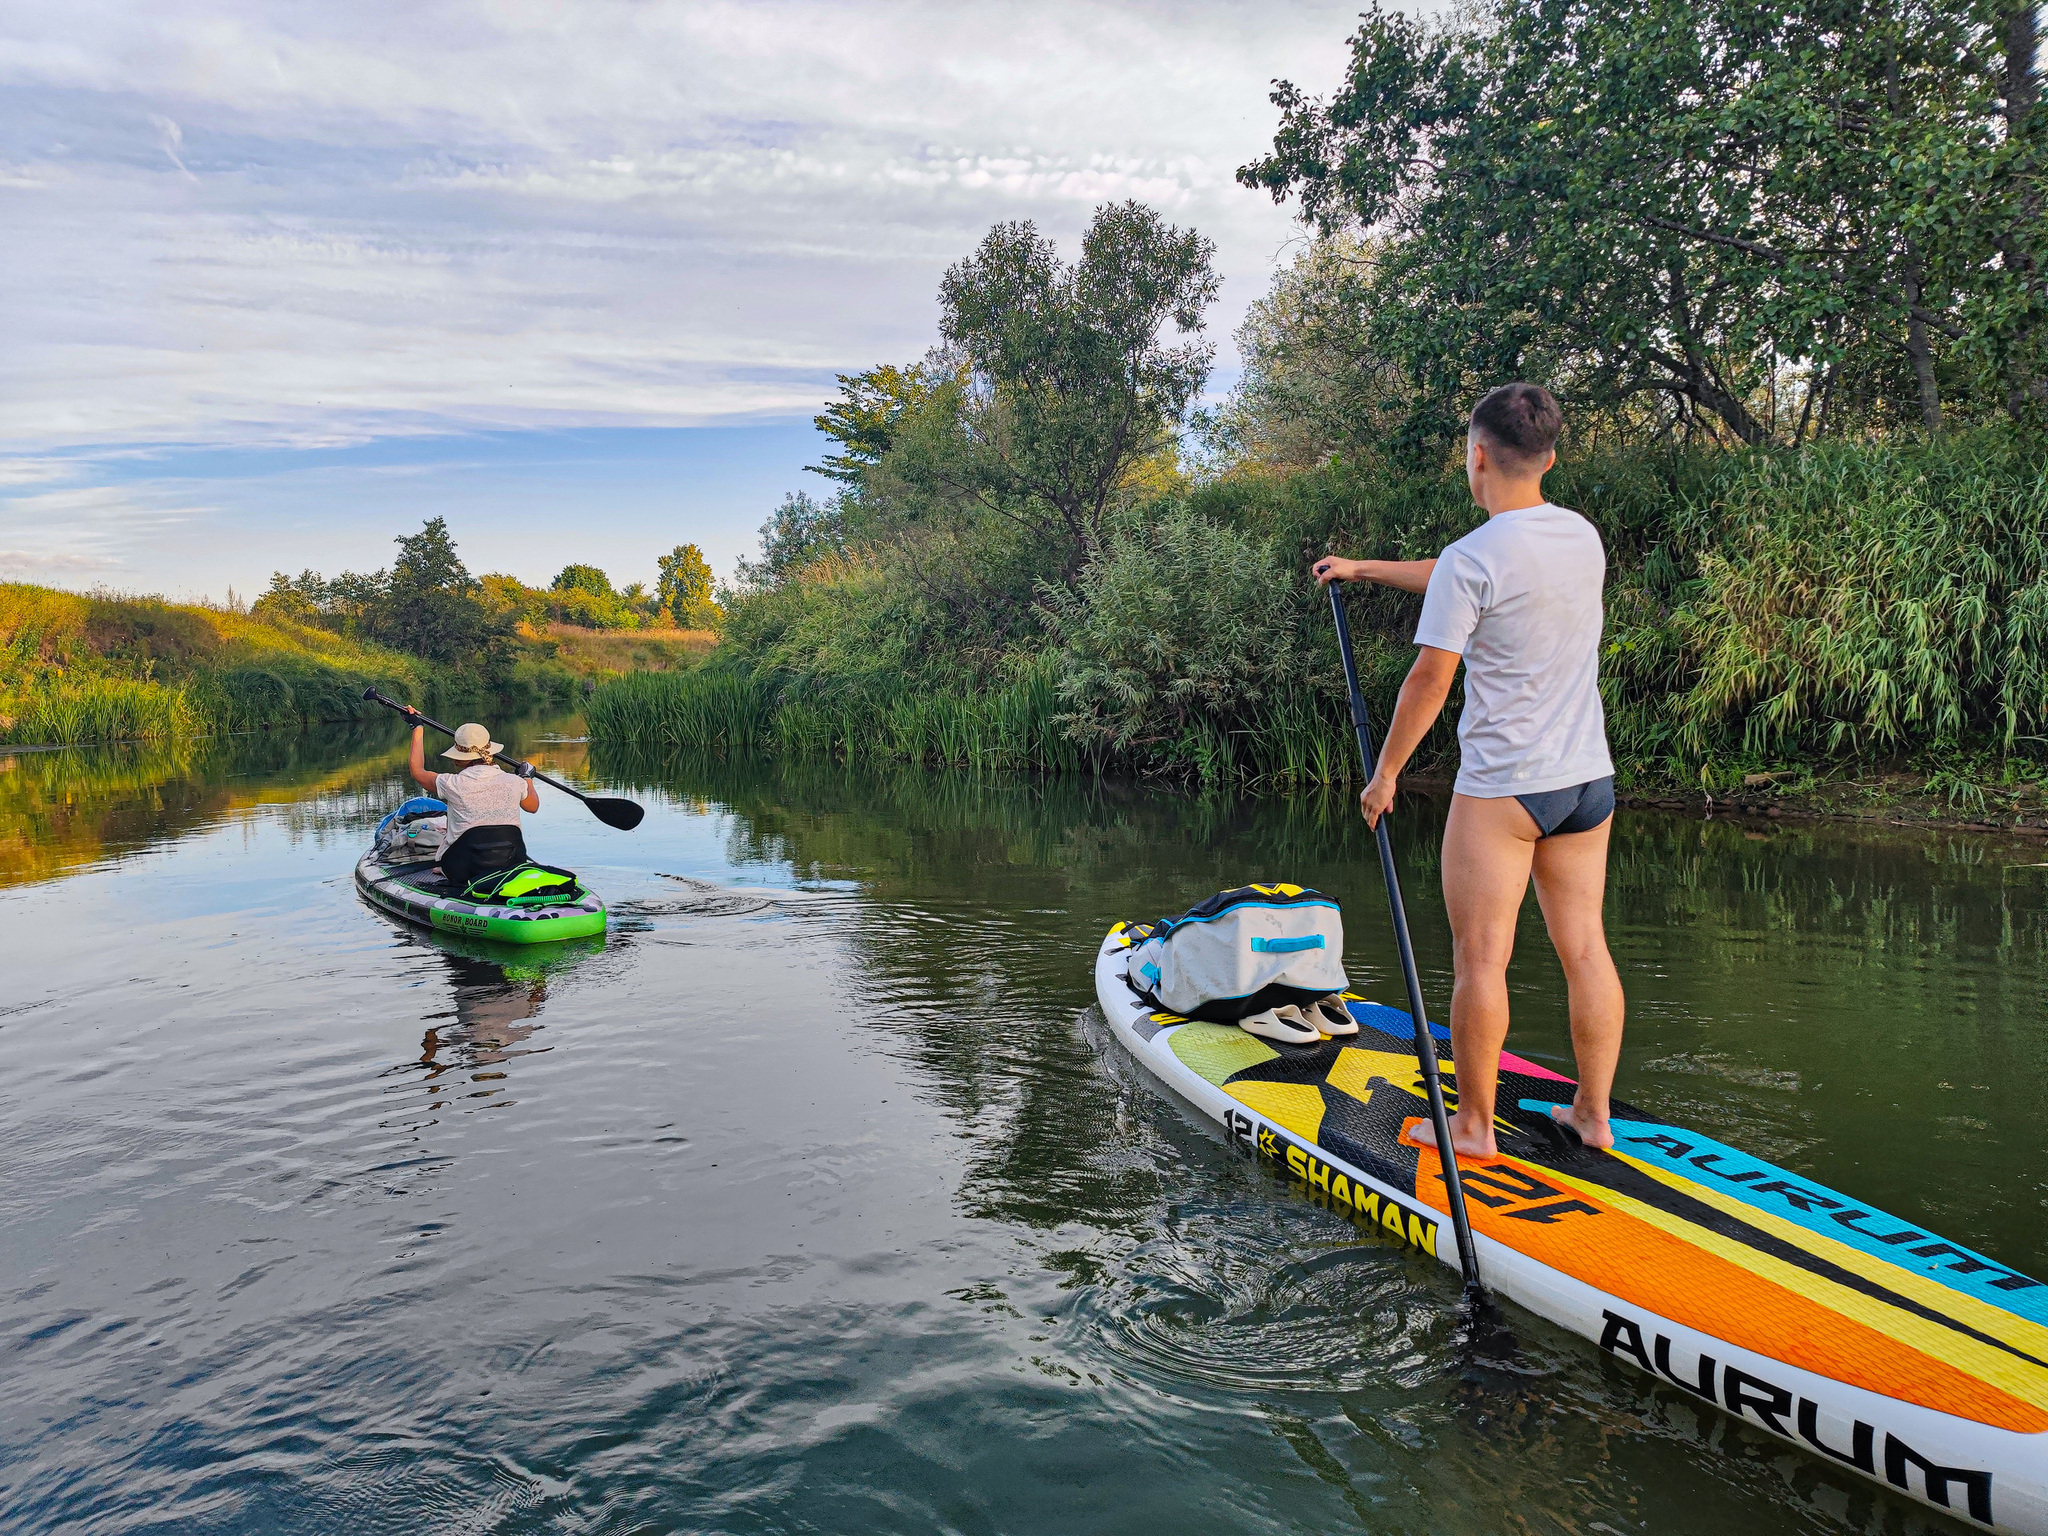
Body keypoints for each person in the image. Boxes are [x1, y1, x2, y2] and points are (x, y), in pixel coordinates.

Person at [1312, 382, 1623, 1155]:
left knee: (1482, 959)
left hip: (1503, 790)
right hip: (1587, 782)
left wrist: (1385, 774)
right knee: (1584, 947)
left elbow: (1430, 678)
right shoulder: (1580, 536)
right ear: (1548, 458)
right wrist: (1365, 569)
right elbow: (1462, 573)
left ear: (1475, 456)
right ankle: (1593, 1115)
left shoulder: (1474, 557)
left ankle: (1474, 1127)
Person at [406, 719, 540, 888]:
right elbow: (532, 806)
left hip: (464, 870)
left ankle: (445, 868)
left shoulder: (451, 784)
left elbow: (417, 770)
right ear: (490, 751)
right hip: (510, 864)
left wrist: (417, 727)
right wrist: (527, 778)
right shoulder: (514, 782)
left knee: (449, 856)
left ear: (458, 759)